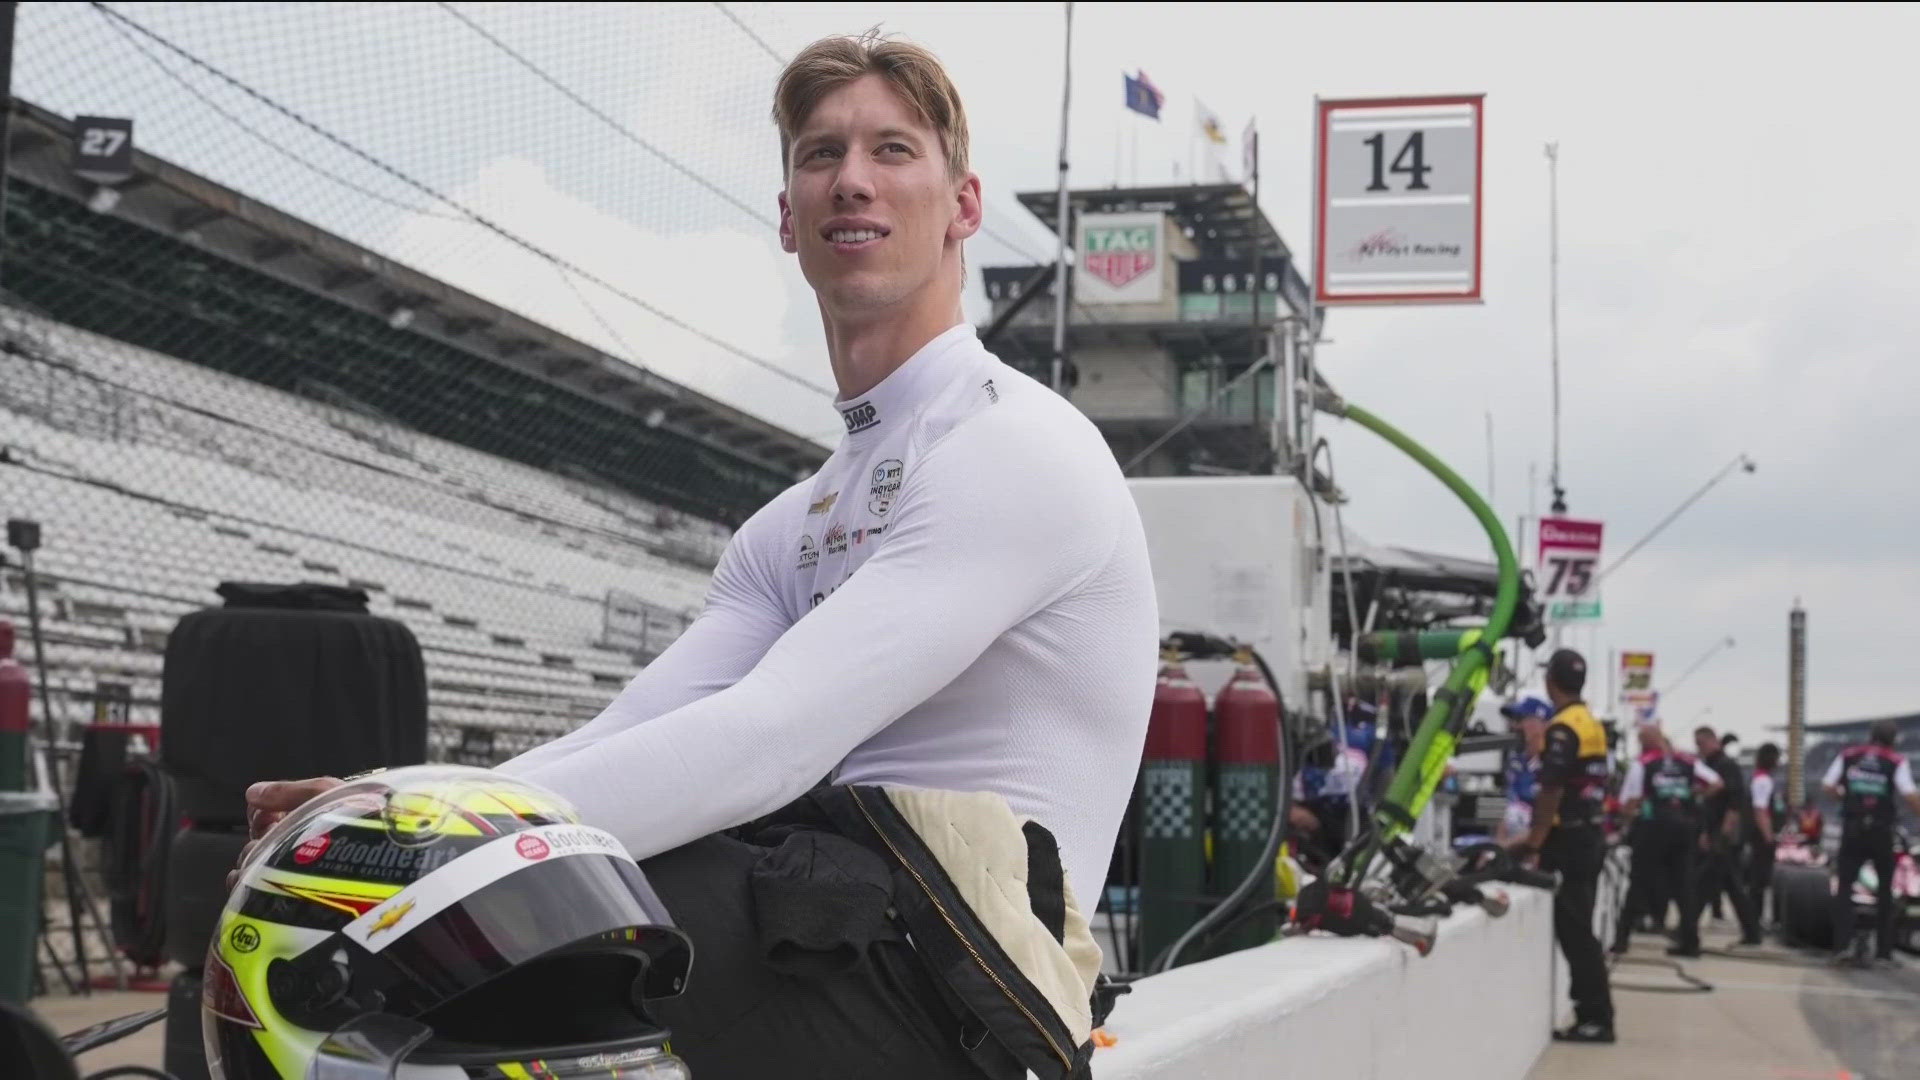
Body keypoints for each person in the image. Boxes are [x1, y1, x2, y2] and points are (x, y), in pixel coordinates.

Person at [236, 30, 1159, 1080]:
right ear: (787, 214)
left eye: (893, 151)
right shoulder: (792, 524)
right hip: (837, 931)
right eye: (821, 155)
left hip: (981, 998)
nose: (852, 179)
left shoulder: (1016, 446)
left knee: (546, 917)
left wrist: (432, 846)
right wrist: (390, 809)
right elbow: (639, 728)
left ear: (963, 206)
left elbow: (768, 741)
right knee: (439, 927)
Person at [1506, 649, 1615, 1044]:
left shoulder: (1562, 728)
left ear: (1551, 682)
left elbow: (1551, 788)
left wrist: (1534, 840)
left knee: (1575, 930)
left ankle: (1596, 1017)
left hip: (1568, 838)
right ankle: (1595, 1012)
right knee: (1579, 927)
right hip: (1589, 833)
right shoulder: (1593, 725)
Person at [1613, 724, 1722, 956]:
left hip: (1653, 827)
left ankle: (1621, 940)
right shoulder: (1688, 761)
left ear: (1647, 741)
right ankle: (1691, 943)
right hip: (1684, 827)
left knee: (1638, 882)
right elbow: (1716, 783)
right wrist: (1691, 797)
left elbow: (1628, 802)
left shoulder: (1642, 763)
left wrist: (1629, 817)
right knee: (1684, 885)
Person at [1822, 719, 1920, 965]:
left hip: (1853, 828)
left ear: (1871, 736)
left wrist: (1846, 800)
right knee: (1886, 890)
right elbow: (1909, 794)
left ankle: (1841, 947)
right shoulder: (1896, 760)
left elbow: (1827, 786)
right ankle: (1883, 953)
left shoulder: (1849, 755)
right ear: (1893, 739)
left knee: (1845, 888)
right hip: (1880, 830)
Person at [1694, 726, 1764, 945]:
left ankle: (1688, 927)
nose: (1700, 749)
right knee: (1728, 884)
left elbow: (1735, 802)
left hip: (1725, 833)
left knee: (1707, 881)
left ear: (1712, 741)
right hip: (1715, 829)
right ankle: (1752, 932)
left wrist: (1726, 831)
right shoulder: (1709, 766)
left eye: (1702, 744)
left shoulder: (1726, 766)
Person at [1495, 697, 1551, 847]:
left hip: (1537, 848)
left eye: (1521, 719)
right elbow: (1509, 810)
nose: (1515, 726)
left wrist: (1507, 846)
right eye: (1513, 720)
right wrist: (1497, 848)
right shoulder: (1516, 762)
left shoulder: (1551, 765)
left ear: (1543, 724)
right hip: (1512, 845)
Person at [1747, 742, 1786, 926]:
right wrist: (1768, 836)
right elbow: (1760, 810)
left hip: (1766, 834)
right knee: (1760, 879)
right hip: (1763, 836)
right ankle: (1755, 917)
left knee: (1762, 878)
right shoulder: (1762, 780)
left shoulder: (1767, 779)